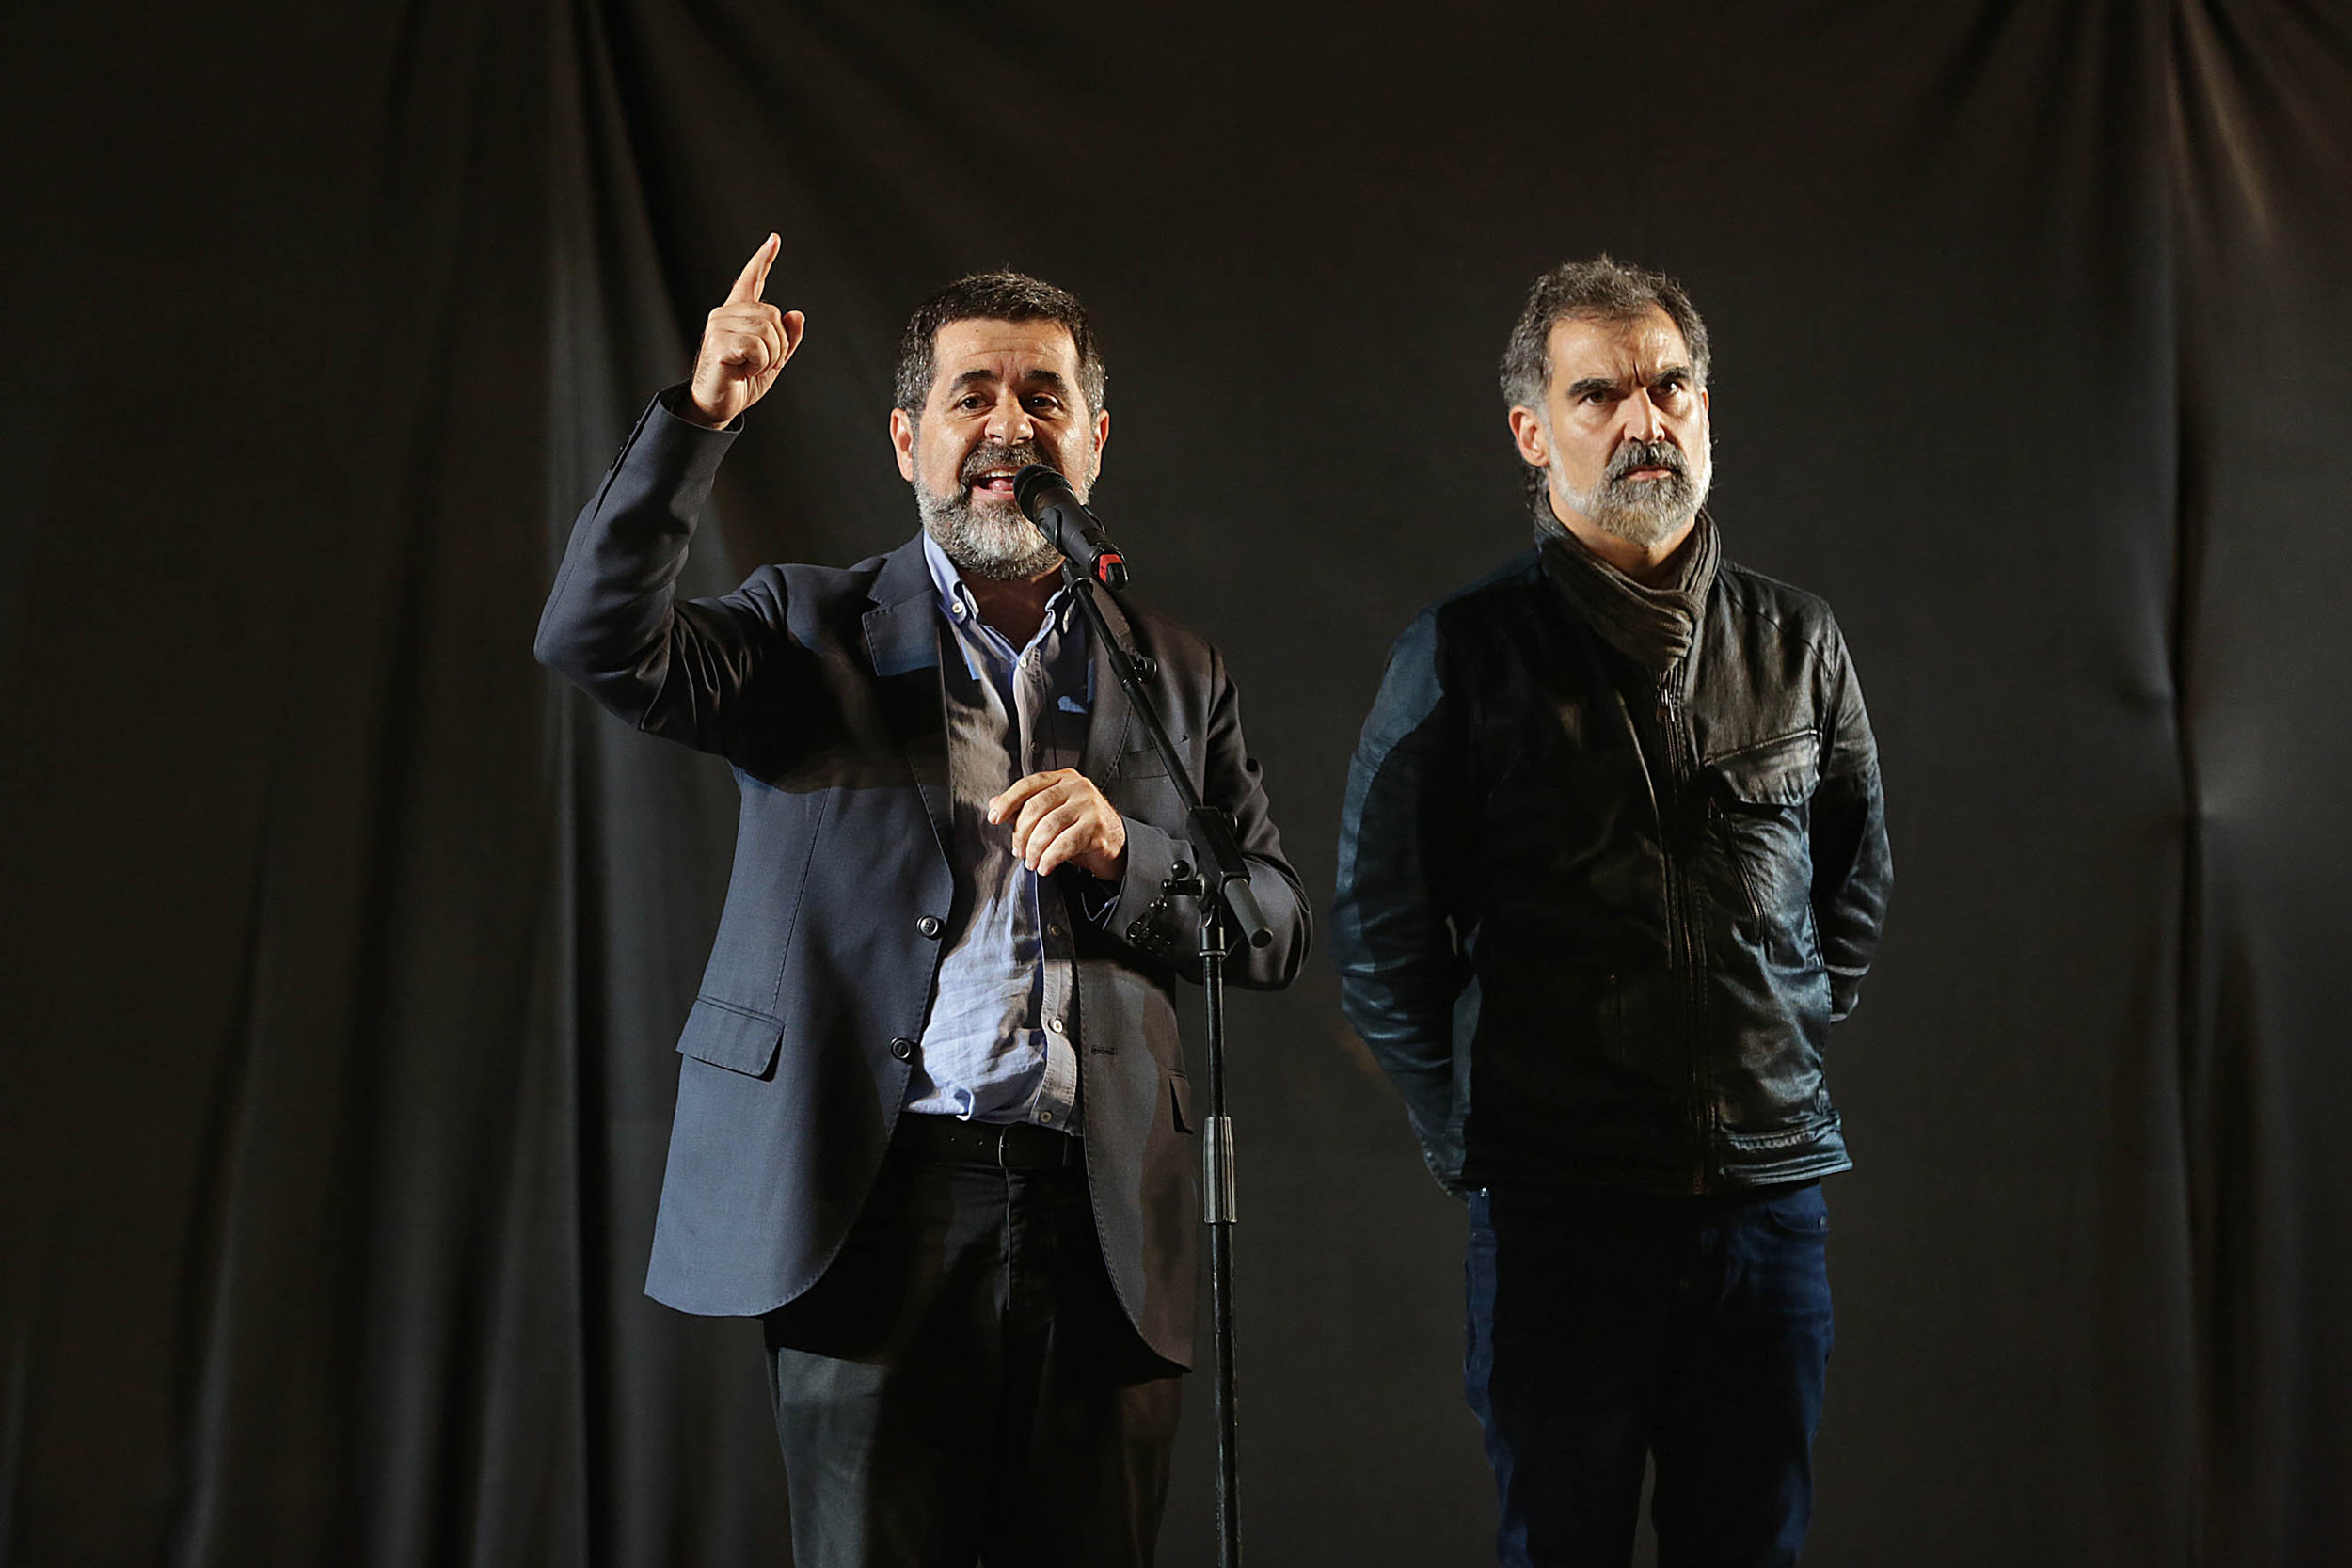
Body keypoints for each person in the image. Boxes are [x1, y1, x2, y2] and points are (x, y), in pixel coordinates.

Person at [536, 235, 1309, 1568]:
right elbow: (594, 637)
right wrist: (700, 418)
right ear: (908, 440)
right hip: (875, 1209)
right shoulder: (805, 628)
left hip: (1101, 1221)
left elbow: (1278, 922)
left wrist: (1132, 851)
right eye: (972, 397)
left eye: (1043, 397)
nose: (1008, 427)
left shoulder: (1176, 672)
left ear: (1097, 439)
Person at [1332, 257, 1892, 1567]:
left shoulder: (1797, 641)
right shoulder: (1463, 652)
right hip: (1559, 1222)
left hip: (1766, 1211)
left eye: (1671, 385)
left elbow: (1853, 890)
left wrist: (1778, 1036)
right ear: (1533, 434)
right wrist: (1484, 1133)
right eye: (1601, 394)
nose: (1646, 419)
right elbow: (1380, 940)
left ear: (1706, 405)